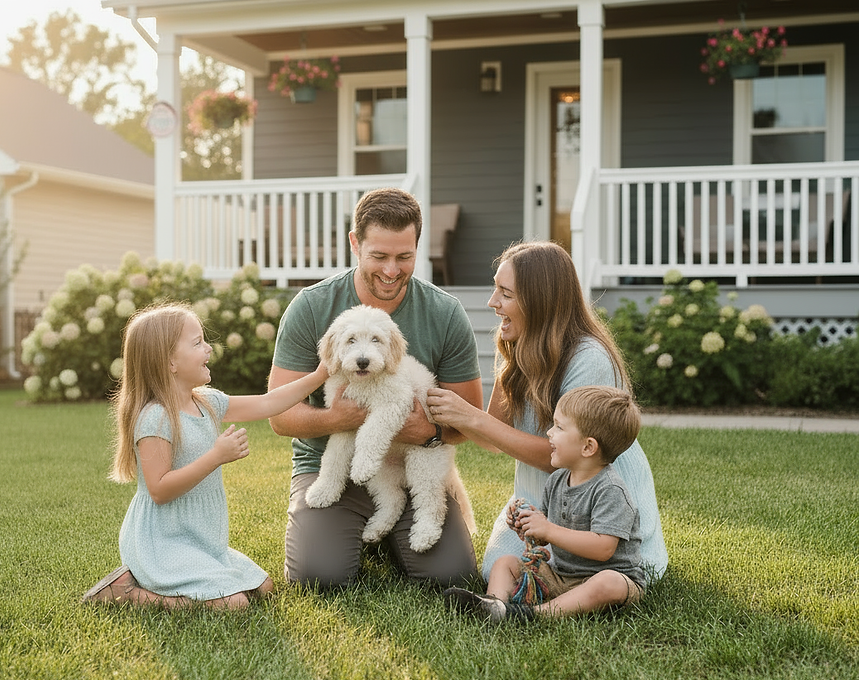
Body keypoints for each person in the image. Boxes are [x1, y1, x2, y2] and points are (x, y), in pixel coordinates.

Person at [267, 187, 483, 589]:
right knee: (320, 578)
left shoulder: (445, 313)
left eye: (404, 257)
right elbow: (280, 417)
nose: (391, 270)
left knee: (451, 577)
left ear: (418, 245)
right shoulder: (312, 307)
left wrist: (430, 433)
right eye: (379, 256)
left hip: (412, 460)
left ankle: (391, 529)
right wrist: (340, 418)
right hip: (330, 467)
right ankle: (348, 527)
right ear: (355, 243)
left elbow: (470, 420)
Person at [426, 241, 668, 587]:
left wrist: (471, 417)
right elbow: (495, 438)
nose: (493, 303)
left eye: (505, 293)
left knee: (585, 578)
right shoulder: (518, 347)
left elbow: (564, 459)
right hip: (539, 499)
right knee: (495, 569)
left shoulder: (589, 359)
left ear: (539, 302)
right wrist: (447, 415)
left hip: (593, 504)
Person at [82, 303, 328, 610]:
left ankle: (190, 575)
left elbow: (268, 404)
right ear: (170, 361)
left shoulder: (208, 402)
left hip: (201, 540)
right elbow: (159, 490)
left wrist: (320, 374)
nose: (208, 348)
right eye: (197, 342)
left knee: (264, 587)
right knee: (234, 604)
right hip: (163, 543)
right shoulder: (156, 418)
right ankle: (125, 591)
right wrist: (215, 457)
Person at [444, 385, 646, 620]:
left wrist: (549, 529)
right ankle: (494, 605)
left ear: (588, 447)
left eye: (559, 427)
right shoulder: (558, 479)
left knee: (610, 583)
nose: (549, 433)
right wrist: (529, 526)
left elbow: (603, 549)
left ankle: (533, 615)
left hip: (604, 578)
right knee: (505, 563)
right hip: (561, 576)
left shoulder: (610, 490)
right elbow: (545, 538)